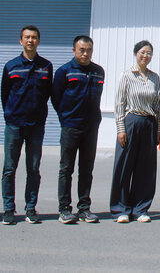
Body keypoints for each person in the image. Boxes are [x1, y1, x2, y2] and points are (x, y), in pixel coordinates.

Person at [0, 25, 53, 225]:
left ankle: (30, 208)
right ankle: (8, 209)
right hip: (14, 124)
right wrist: (10, 115)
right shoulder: (11, 66)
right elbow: (4, 95)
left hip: (36, 125)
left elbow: (47, 93)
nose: (30, 40)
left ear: (39, 41)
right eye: (27, 37)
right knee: (9, 168)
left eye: (34, 37)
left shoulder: (46, 66)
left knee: (33, 168)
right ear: (20, 41)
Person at [52, 35, 104, 225]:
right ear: (74, 50)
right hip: (71, 126)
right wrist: (66, 118)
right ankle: (64, 209)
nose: (85, 53)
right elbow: (56, 98)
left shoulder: (98, 72)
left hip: (90, 127)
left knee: (86, 169)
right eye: (81, 50)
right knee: (66, 168)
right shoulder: (64, 71)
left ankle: (84, 208)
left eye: (88, 50)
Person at [110, 40, 160, 223]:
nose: (145, 56)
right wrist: (120, 129)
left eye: (149, 53)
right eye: (142, 52)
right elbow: (120, 103)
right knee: (124, 166)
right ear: (135, 54)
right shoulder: (126, 75)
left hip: (149, 123)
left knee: (146, 169)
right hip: (131, 121)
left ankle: (140, 208)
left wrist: (158, 130)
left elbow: (159, 106)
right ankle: (121, 209)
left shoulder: (155, 77)